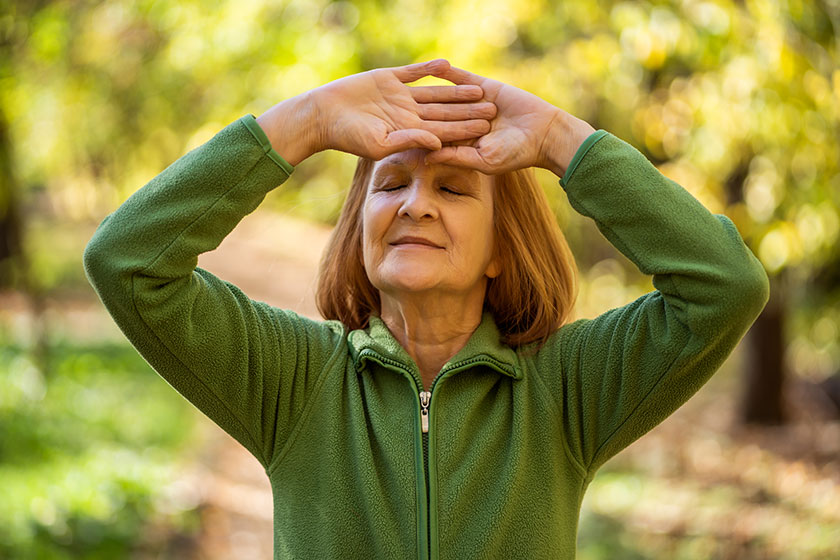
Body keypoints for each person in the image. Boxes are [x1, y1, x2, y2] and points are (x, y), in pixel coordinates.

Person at [83, 59, 769, 559]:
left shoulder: (565, 390)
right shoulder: (295, 381)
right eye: (390, 184)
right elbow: (129, 261)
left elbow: (725, 287)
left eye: (454, 189)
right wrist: (308, 120)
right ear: (358, 232)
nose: (416, 204)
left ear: (502, 248)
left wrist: (564, 140)